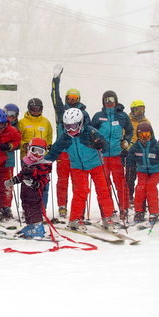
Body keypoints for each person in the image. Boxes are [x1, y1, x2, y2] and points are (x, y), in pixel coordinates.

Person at [44, 108, 115, 232]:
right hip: (78, 167)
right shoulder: (65, 137)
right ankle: (75, 219)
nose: (70, 130)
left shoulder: (91, 132)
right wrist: (44, 164)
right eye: (67, 127)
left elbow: (106, 145)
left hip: (96, 164)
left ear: (81, 123)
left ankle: (107, 216)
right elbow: (54, 152)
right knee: (80, 192)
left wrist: (100, 145)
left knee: (103, 190)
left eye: (74, 126)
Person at [50, 64, 90, 220]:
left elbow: (89, 131)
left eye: (75, 99)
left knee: (77, 180)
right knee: (62, 179)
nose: (72, 101)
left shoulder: (83, 113)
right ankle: (62, 205)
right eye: (70, 99)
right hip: (62, 151)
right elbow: (54, 97)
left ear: (79, 100)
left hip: (77, 152)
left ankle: (77, 206)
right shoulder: (61, 110)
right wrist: (56, 80)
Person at [90, 90, 133, 220]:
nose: (109, 103)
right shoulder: (98, 116)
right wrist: (95, 142)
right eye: (107, 100)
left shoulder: (122, 116)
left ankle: (124, 208)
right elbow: (91, 132)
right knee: (104, 185)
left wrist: (126, 141)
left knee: (120, 183)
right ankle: (107, 210)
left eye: (112, 100)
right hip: (102, 156)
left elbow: (130, 130)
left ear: (116, 101)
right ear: (103, 101)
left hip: (116, 155)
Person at [4, 138, 52, 238]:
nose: (38, 154)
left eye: (41, 151)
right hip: (25, 193)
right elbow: (22, 175)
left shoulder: (43, 165)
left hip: (35, 194)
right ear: (29, 149)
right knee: (27, 209)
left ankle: (38, 227)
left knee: (34, 209)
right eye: (35, 150)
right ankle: (31, 226)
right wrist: (13, 181)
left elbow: (45, 179)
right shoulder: (27, 162)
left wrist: (36, 184)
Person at [126, 122, 159, 224]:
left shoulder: (156, 146)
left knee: (150, 186)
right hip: (142, 170)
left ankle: (154, 212)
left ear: (151, 134)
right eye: (141, 135)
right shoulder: (135, 147)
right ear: (138, 136)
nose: (144, 138)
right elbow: (130, 159)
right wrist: (125, 158)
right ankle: (139, 211)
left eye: (147, 135)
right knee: (140, 188)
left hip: (156, 170)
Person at [17, 97, 54, 209]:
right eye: (33, 108)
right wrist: (23, 144)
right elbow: (17, 137)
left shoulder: (46, 122)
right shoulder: (22, 122)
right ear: (29, 108)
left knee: (43, 184)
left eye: (38, 108)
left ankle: (42, 209)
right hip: (27, 159)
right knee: (28, 184)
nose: (35, 111)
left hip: (42, 159)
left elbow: (49, 137)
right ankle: (27, 210)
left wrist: (49, 147)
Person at [125, 99, 150, 209]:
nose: (140, 112)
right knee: (130, 176)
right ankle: (129, 196)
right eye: (137, 110)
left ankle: (142, 199)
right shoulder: (128, 121)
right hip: (130, 151)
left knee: (143, 177)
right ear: (132, 110)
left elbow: (151, 136)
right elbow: (124, 134)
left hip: (142, 152)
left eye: (142, 109)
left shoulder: (146, 122)